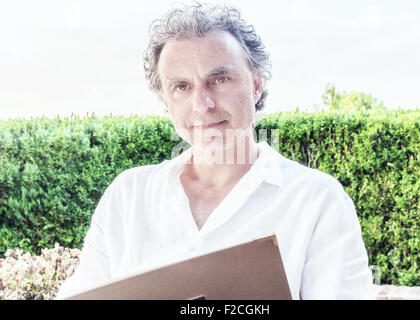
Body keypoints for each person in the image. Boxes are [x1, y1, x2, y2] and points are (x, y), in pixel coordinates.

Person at [56, 2, 375, 300]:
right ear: (166, 101)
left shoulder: (317, 200)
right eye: (181, 87)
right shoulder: (126, 198)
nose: (202, 105)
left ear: (255, 85)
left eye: (219, 79)